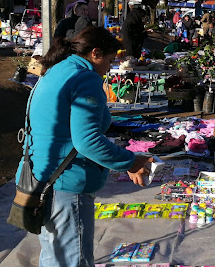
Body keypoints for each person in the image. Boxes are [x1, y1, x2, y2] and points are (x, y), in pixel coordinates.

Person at [18, 27, 152, 265]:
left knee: (55, 257)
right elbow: (87, 140)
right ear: (95, 53)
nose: (110, 68)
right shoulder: (84, 78)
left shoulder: (59, 70)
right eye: (110, 61)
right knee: (72, 260)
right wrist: (131, 162)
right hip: (64, 184)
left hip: (41, 177)